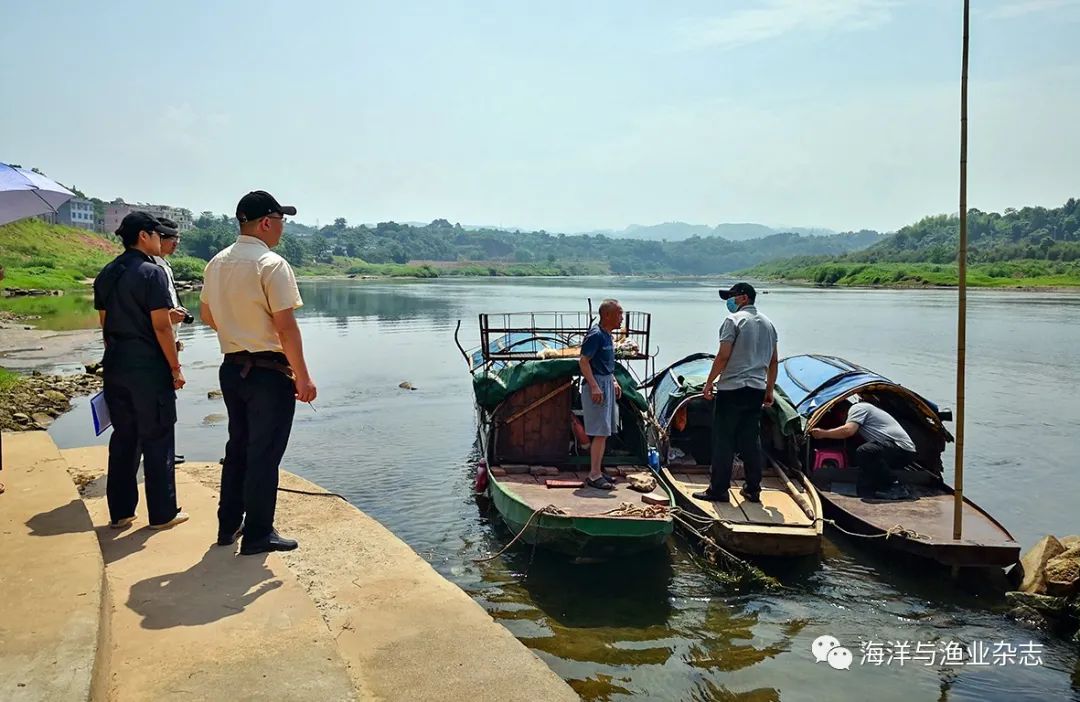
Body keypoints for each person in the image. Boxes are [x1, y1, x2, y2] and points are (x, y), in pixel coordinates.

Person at [199, 190, 316, 555]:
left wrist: (238, 330)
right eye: (281, 220)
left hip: (232, 369)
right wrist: (303, 376)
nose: (282, 227)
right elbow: (286, 327)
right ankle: (258, 534)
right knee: (264, 454)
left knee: (238, 447)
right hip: (268, 373)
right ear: (266, 222)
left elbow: (206, 315)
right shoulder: (271, 264)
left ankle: (228, 524)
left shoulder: (216, 263)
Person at [93, 211, 188, 530]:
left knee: (124, 437)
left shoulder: (107, 272)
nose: (162, 240)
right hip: (148, 366)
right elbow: (161, 326)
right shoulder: (151, 273)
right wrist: (175, 368)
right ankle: (162, 514)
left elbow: (105, 324)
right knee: (158, 436)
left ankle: (121, 513)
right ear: (144, 236)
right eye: (158, 235)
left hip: (116, 363)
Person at [693, 282, 778, 505]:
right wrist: (769, 390)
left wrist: (709, 383)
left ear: (743, 298)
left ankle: (719, 490)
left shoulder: (733, 320)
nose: (729, 302)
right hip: (756, 389)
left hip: (732, 389)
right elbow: (773, 361)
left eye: (732, 297)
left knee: (724, 440)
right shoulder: (769, 324)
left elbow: (723, 355)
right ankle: (753, 489)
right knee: (751, 440)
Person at [809, 398, 916, 499]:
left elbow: (848, 431)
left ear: (843, 412)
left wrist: (823, 433)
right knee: (862, 452)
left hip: (902, 450)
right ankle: (876, 484)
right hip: (894, 451)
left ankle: (895, 486)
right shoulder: (864, 416)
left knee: (866, 451)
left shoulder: (858, 408)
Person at [154, 217, 190, 466]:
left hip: (170, 338)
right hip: (159, 342)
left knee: (167, 400)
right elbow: (155, 318)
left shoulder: (164, 265)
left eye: (177, 238)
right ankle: (160, 454)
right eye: (170, 238)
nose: (175, 243)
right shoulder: (150, 269)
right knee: (161, 402)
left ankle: (166, 450)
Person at [578, 299, 623, 490]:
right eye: (619, 314)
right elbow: (583, 361)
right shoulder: (596, 335)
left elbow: (606, 363)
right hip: (596, 384)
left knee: (605, 432)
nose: (622, 318)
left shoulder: (608, 335)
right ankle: (594, 474)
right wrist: (594, 386)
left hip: (606, 381)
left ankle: (598, 470)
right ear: (607, 315)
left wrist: (614, 380)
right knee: (599, 431)